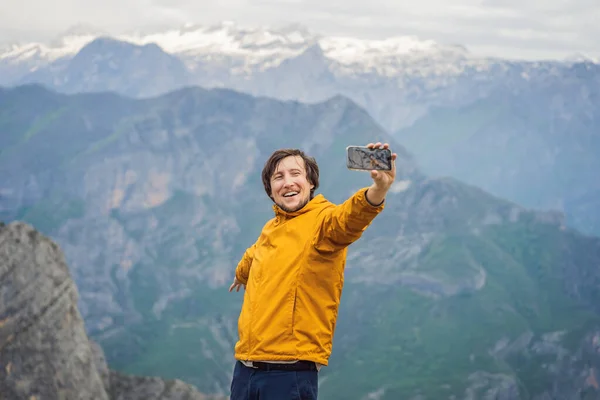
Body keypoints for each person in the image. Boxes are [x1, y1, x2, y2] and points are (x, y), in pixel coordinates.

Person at [228, 142, 397, 399]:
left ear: (310, 183)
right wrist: (240, 275)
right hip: (245, 371)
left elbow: (350, 218)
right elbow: (253, 254)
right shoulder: (271, 228)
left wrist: (378, 190)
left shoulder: (324, 222)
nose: (287, 183)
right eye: (278, 177)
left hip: (289, 374)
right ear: (271, 191)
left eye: (296, 174)